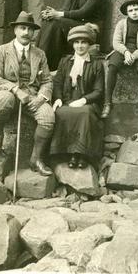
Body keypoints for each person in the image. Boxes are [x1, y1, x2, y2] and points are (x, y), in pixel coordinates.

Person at [0, 11, 55, 176]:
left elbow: (47, 81)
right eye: (22, 28)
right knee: (5, 100)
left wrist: (40, 98)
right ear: (15, 30)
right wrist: (15, 90)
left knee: (48, 116)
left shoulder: (40, 54)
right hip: (6, 93)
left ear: (33, 33)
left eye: (30, 29)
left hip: (31, 96)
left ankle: (36, 158)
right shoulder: (1, 51)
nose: (26, 32)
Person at [36, 0, 105, 71]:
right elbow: (66, 8)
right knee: (49, 21)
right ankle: (38, 61)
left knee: (56, 23)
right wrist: (50, 13)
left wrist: (58, 14)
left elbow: (84, 12)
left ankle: (49, 66)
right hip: (74, 22)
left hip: (89, 26)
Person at [50, 23, 104, 169]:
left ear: (89, 44)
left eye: (84, 42)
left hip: (88, 102)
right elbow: (57, 83)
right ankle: (67, 154)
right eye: (77, 42)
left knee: (84, 113)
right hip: (67, 100)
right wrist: (59, 98)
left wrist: (83, 100)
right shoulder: (65, 62)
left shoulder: (96, 64)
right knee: (60, 112)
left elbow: (99, 91)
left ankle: (82, 155)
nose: (80, 46)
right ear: (73, 44)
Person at [101, 0, 138, 119]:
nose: (134, 13)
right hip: (122, 51)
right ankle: (107, 103)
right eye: (130, 11)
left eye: (136, 9)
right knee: (112, 67)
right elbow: (116, 43)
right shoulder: (121, 24)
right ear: (127, 13)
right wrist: (126, 52)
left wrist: (133, 55)